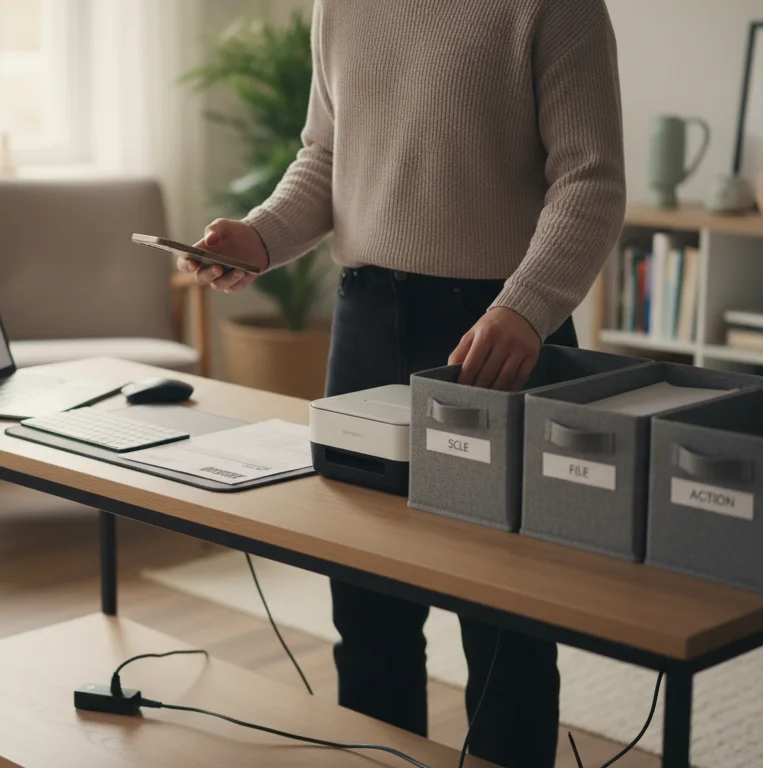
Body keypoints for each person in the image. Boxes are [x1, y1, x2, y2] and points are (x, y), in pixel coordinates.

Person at [178, 1, 624, 765]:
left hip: (497, 338)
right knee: (368, 612)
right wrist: (258, 236)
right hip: (364, 324)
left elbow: (590, 180)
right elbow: (325, 155)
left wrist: (527, 307)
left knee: (504, 627)